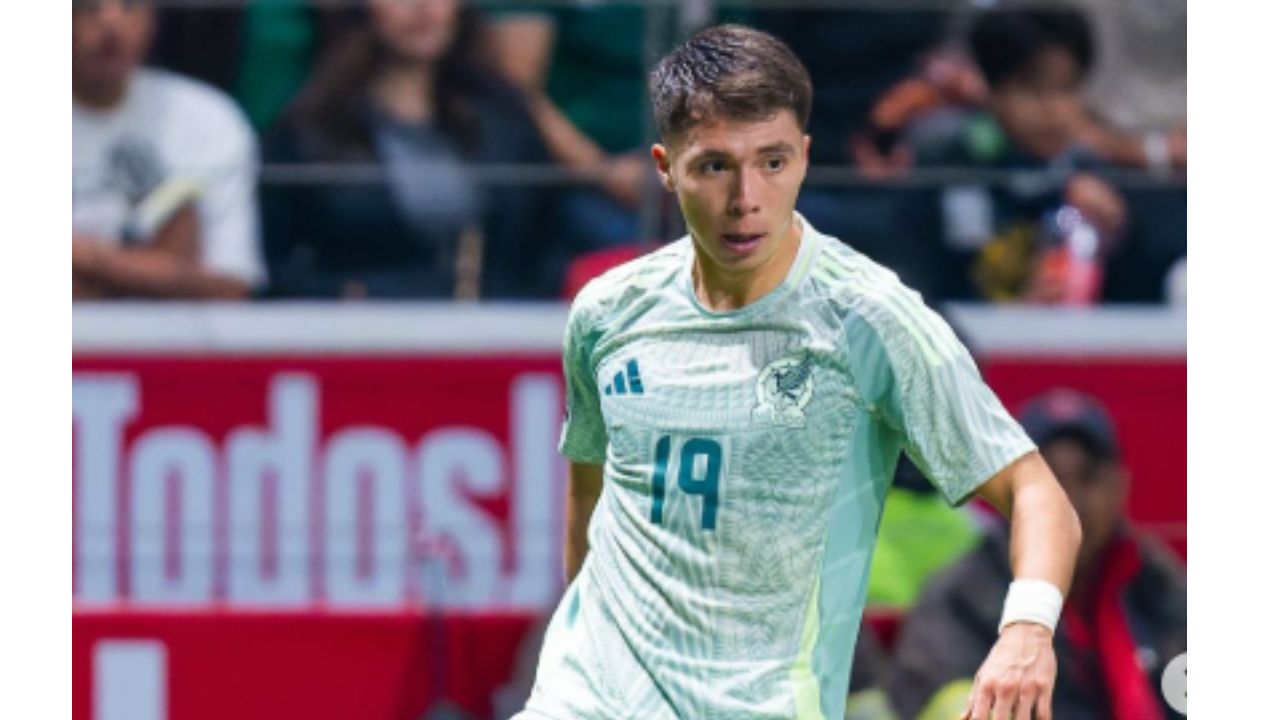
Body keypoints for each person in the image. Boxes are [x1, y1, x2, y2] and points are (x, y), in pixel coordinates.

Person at [515, 25, 1081, 720]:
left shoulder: (871, 318)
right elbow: (590, 500)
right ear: (665, 168)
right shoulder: (606, 312)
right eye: (715, 166)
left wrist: (1027, 629)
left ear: (806, 159)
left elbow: (1037, 494)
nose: (746, 197)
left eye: (773, 163)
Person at [887, 388, 1186, 719]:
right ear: (1009, 491)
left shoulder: (1160, 585)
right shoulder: (959, 596)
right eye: (1049, 478)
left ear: (1120, 485)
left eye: (1087, 476)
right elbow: (939, 698)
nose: (1070, 497)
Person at [262, 0, 558, 299]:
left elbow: (543, 250)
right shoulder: (311, 133)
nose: (424, 7)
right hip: (361, 336)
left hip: (494, 333)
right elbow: (278, 268)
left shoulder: (506, 124)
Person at [72, 0, 265, 299]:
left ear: (153, 18)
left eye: (129, 5)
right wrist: (156, 270)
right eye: (85, 7)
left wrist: (88, 259)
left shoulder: (209, 118)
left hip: (180, 342)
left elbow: (230, 286)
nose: (110, 23)